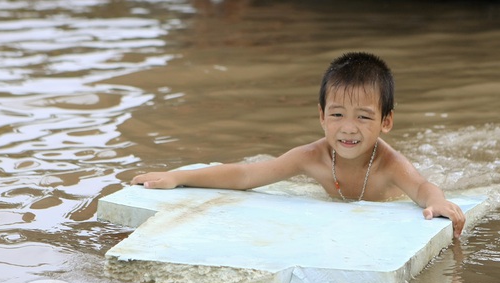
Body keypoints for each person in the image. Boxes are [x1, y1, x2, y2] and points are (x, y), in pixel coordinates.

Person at [131, 52, 466, 238]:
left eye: (364, 117)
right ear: (321, 115)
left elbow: (423, 187)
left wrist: (438, 204)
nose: (348, 128)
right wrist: (178, 176)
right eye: (337, 114)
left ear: (386, 122)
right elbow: (247, 175)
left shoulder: (389, 164)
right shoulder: (312, 156)